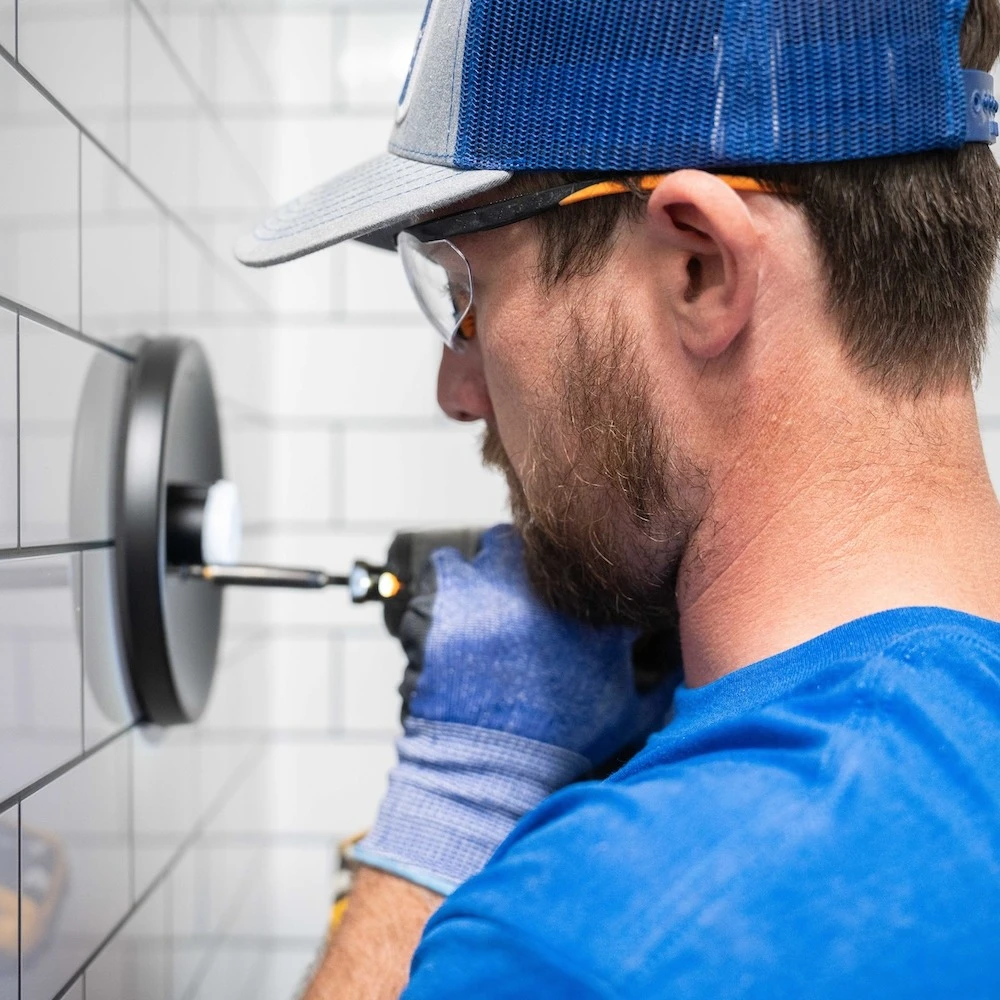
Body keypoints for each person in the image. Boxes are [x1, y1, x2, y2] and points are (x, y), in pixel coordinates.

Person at [238, 1, 1000, 996]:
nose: (456, 391)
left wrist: (449, 814)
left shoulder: (582, 938)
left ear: (699, 269)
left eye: (465, 294)